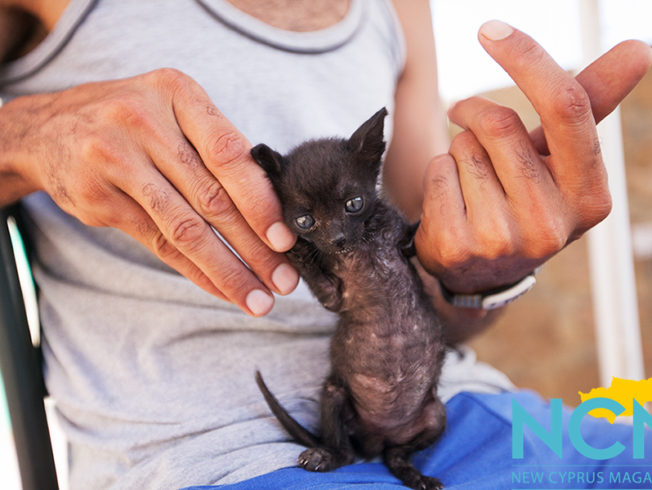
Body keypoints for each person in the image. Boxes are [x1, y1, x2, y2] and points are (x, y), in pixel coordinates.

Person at [0, 1, 650, 488]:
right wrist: (33, 132)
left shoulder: (396, 8)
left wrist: (482, 274)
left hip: (454, 409)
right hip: (212, 454)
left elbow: (438, 305)